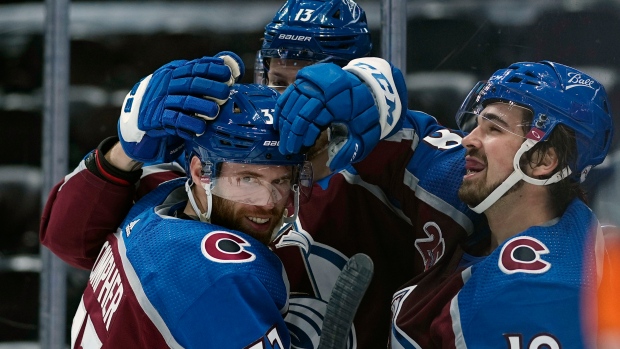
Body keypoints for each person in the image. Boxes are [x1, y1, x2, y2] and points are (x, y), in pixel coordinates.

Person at [41, 1, 447, 348]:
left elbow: (491, 203)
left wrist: (393, 118)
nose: (289, 106)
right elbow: (68, 242)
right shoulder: (218, 137)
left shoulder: (392, 153)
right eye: (277, 81)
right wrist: (123, 150)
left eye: (311, 89)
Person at [274, 59, 614, 347]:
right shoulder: (494, 192)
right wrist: (364, 84)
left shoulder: (529, 297)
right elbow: (398, 136)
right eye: (477, 124)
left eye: (493, 129)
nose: (468, 139)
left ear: (543, 160)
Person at [42, 82, 313, 348]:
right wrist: (127, 146)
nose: (268, 202)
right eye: (248, 180)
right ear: (199, 172)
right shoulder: (227, 274)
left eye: (280, 181)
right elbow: (65, 237)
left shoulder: (158, 195)